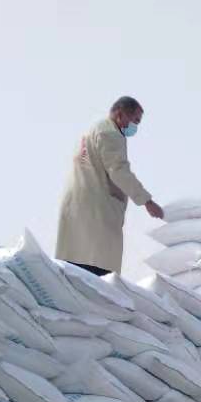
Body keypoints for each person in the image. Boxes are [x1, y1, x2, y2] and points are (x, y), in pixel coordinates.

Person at [56, 96, 164, 277]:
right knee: (98, 270)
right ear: (120, 114)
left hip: (77, 207)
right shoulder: (110, 134)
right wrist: (147, 201)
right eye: (135, 121)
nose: (135, 127)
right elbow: (119, 171)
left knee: (75, 265)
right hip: (96, 211)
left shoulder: (93, 129)